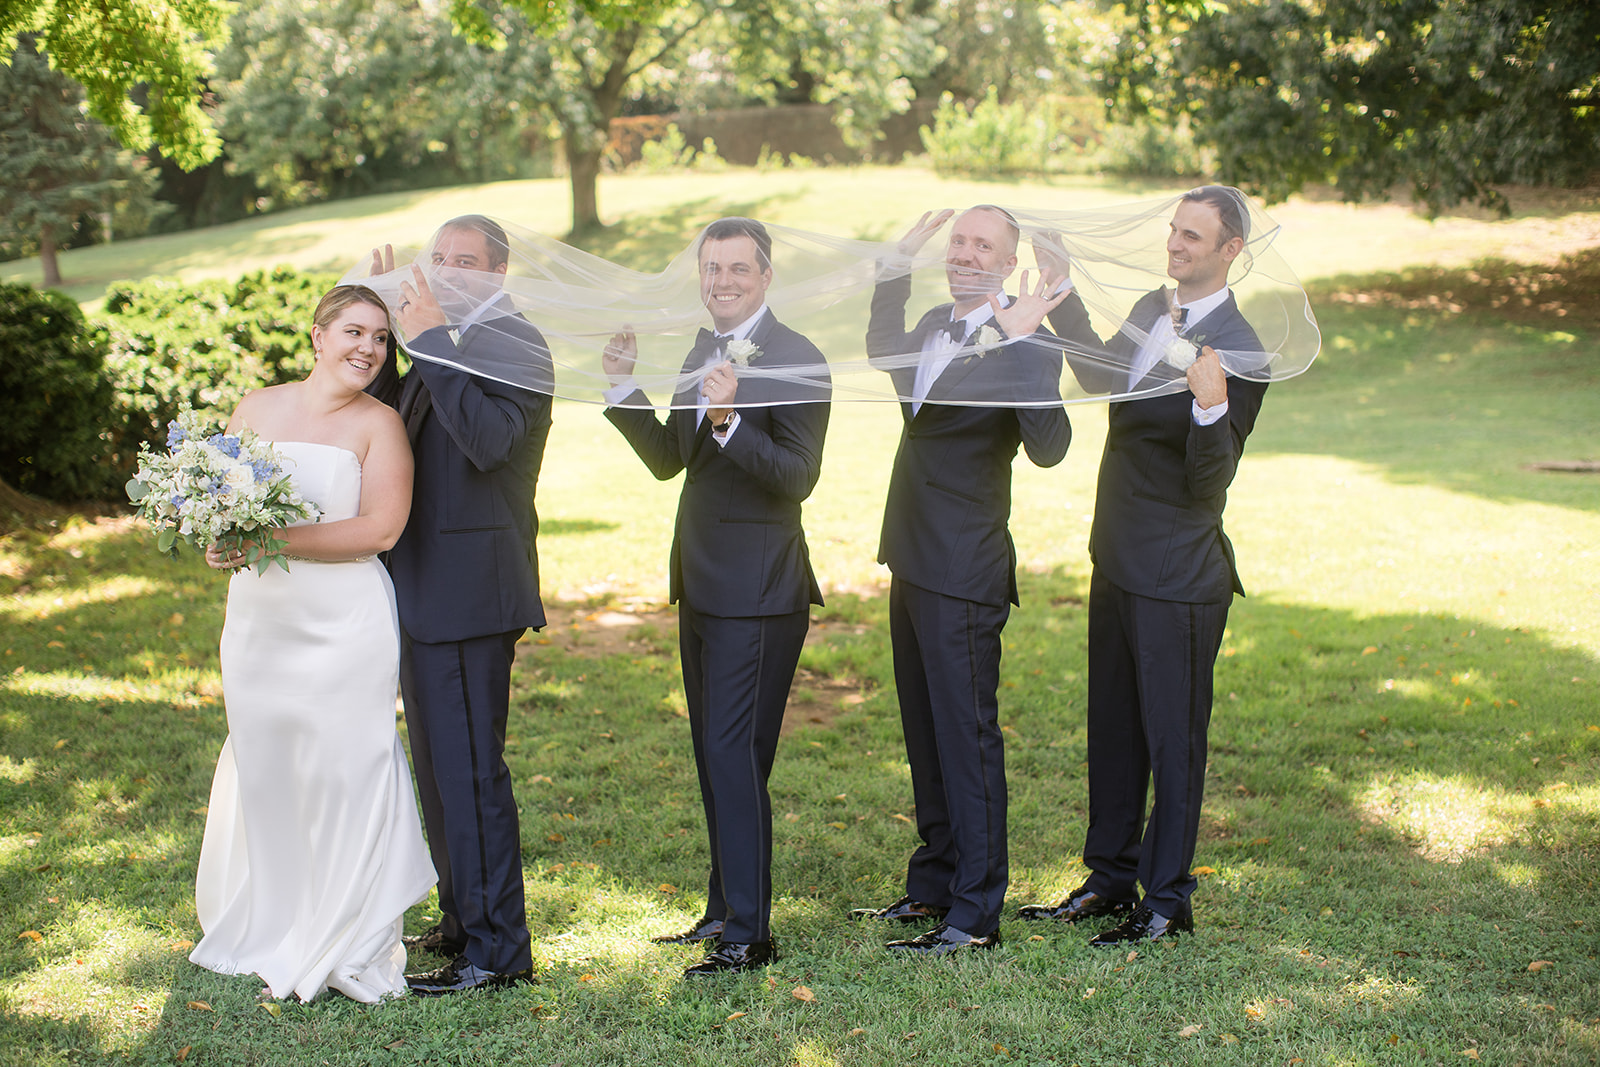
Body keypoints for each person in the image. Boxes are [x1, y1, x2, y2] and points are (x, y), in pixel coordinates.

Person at [1006, 185, 1269, 944]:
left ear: (1230, 252)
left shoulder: (1240, 346)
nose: (1176, 244)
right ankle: (1110, 877)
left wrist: (1213, 405)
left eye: (1194, 236)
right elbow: (1100, 374)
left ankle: (1168, 898)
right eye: (1174, 230)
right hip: (1115, 557)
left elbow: (1209, 479)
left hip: (1179, 575)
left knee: (1172, 736)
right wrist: (1059, 290)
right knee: (1114, 727)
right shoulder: (1156, 308)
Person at [191, 285, 435, 1003]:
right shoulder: (256, 408)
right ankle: (274, 918)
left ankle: (349, 931)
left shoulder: (381, 423)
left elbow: (380, 529)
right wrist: (218, 538)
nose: (368, 348)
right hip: (261, 620)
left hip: (344, 622)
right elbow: (221, 502)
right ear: (318, 336)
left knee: (346, 767)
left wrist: (269, 538)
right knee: (267, 761)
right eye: (354, 332)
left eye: (382, 339)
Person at [600, 217, 831, 977]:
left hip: (760, 592)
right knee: (717, 755)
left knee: (734, 756)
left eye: (737, 269)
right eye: (711, 268)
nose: (721, 281)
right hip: (699, 582)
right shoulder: (702, 348)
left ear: (765, 277)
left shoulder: (800, 358)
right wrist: (622, 386)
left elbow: (798, 476)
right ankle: (723, 908)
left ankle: (751, 933)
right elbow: (672, 457)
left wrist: (731, 420)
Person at [852, 205, 1070, 954]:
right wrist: (893, 265)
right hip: (909, 554)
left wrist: (1022, 346)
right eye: (960, 241)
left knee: (967, 738)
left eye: (984, 244)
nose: (966, 253)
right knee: (924, 732)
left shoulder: (1028, 340)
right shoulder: (930, 328)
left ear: (1009, 265)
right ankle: (933, 883)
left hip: (966, 567)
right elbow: (881, 345)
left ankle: (975, 913)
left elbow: (1050, 447)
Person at [365, 216, 553, 994]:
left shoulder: (516, 341)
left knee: (473, 772)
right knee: (438, 770)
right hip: (422, 585)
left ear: (498, 271)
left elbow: (488, 441)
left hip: (475, 592)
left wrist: (430, 342)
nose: (445, 269)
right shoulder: (428, 336)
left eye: (464, 259)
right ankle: (461, 918)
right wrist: (381, 330)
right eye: (437, 256)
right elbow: (401, 424)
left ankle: (499, 950)